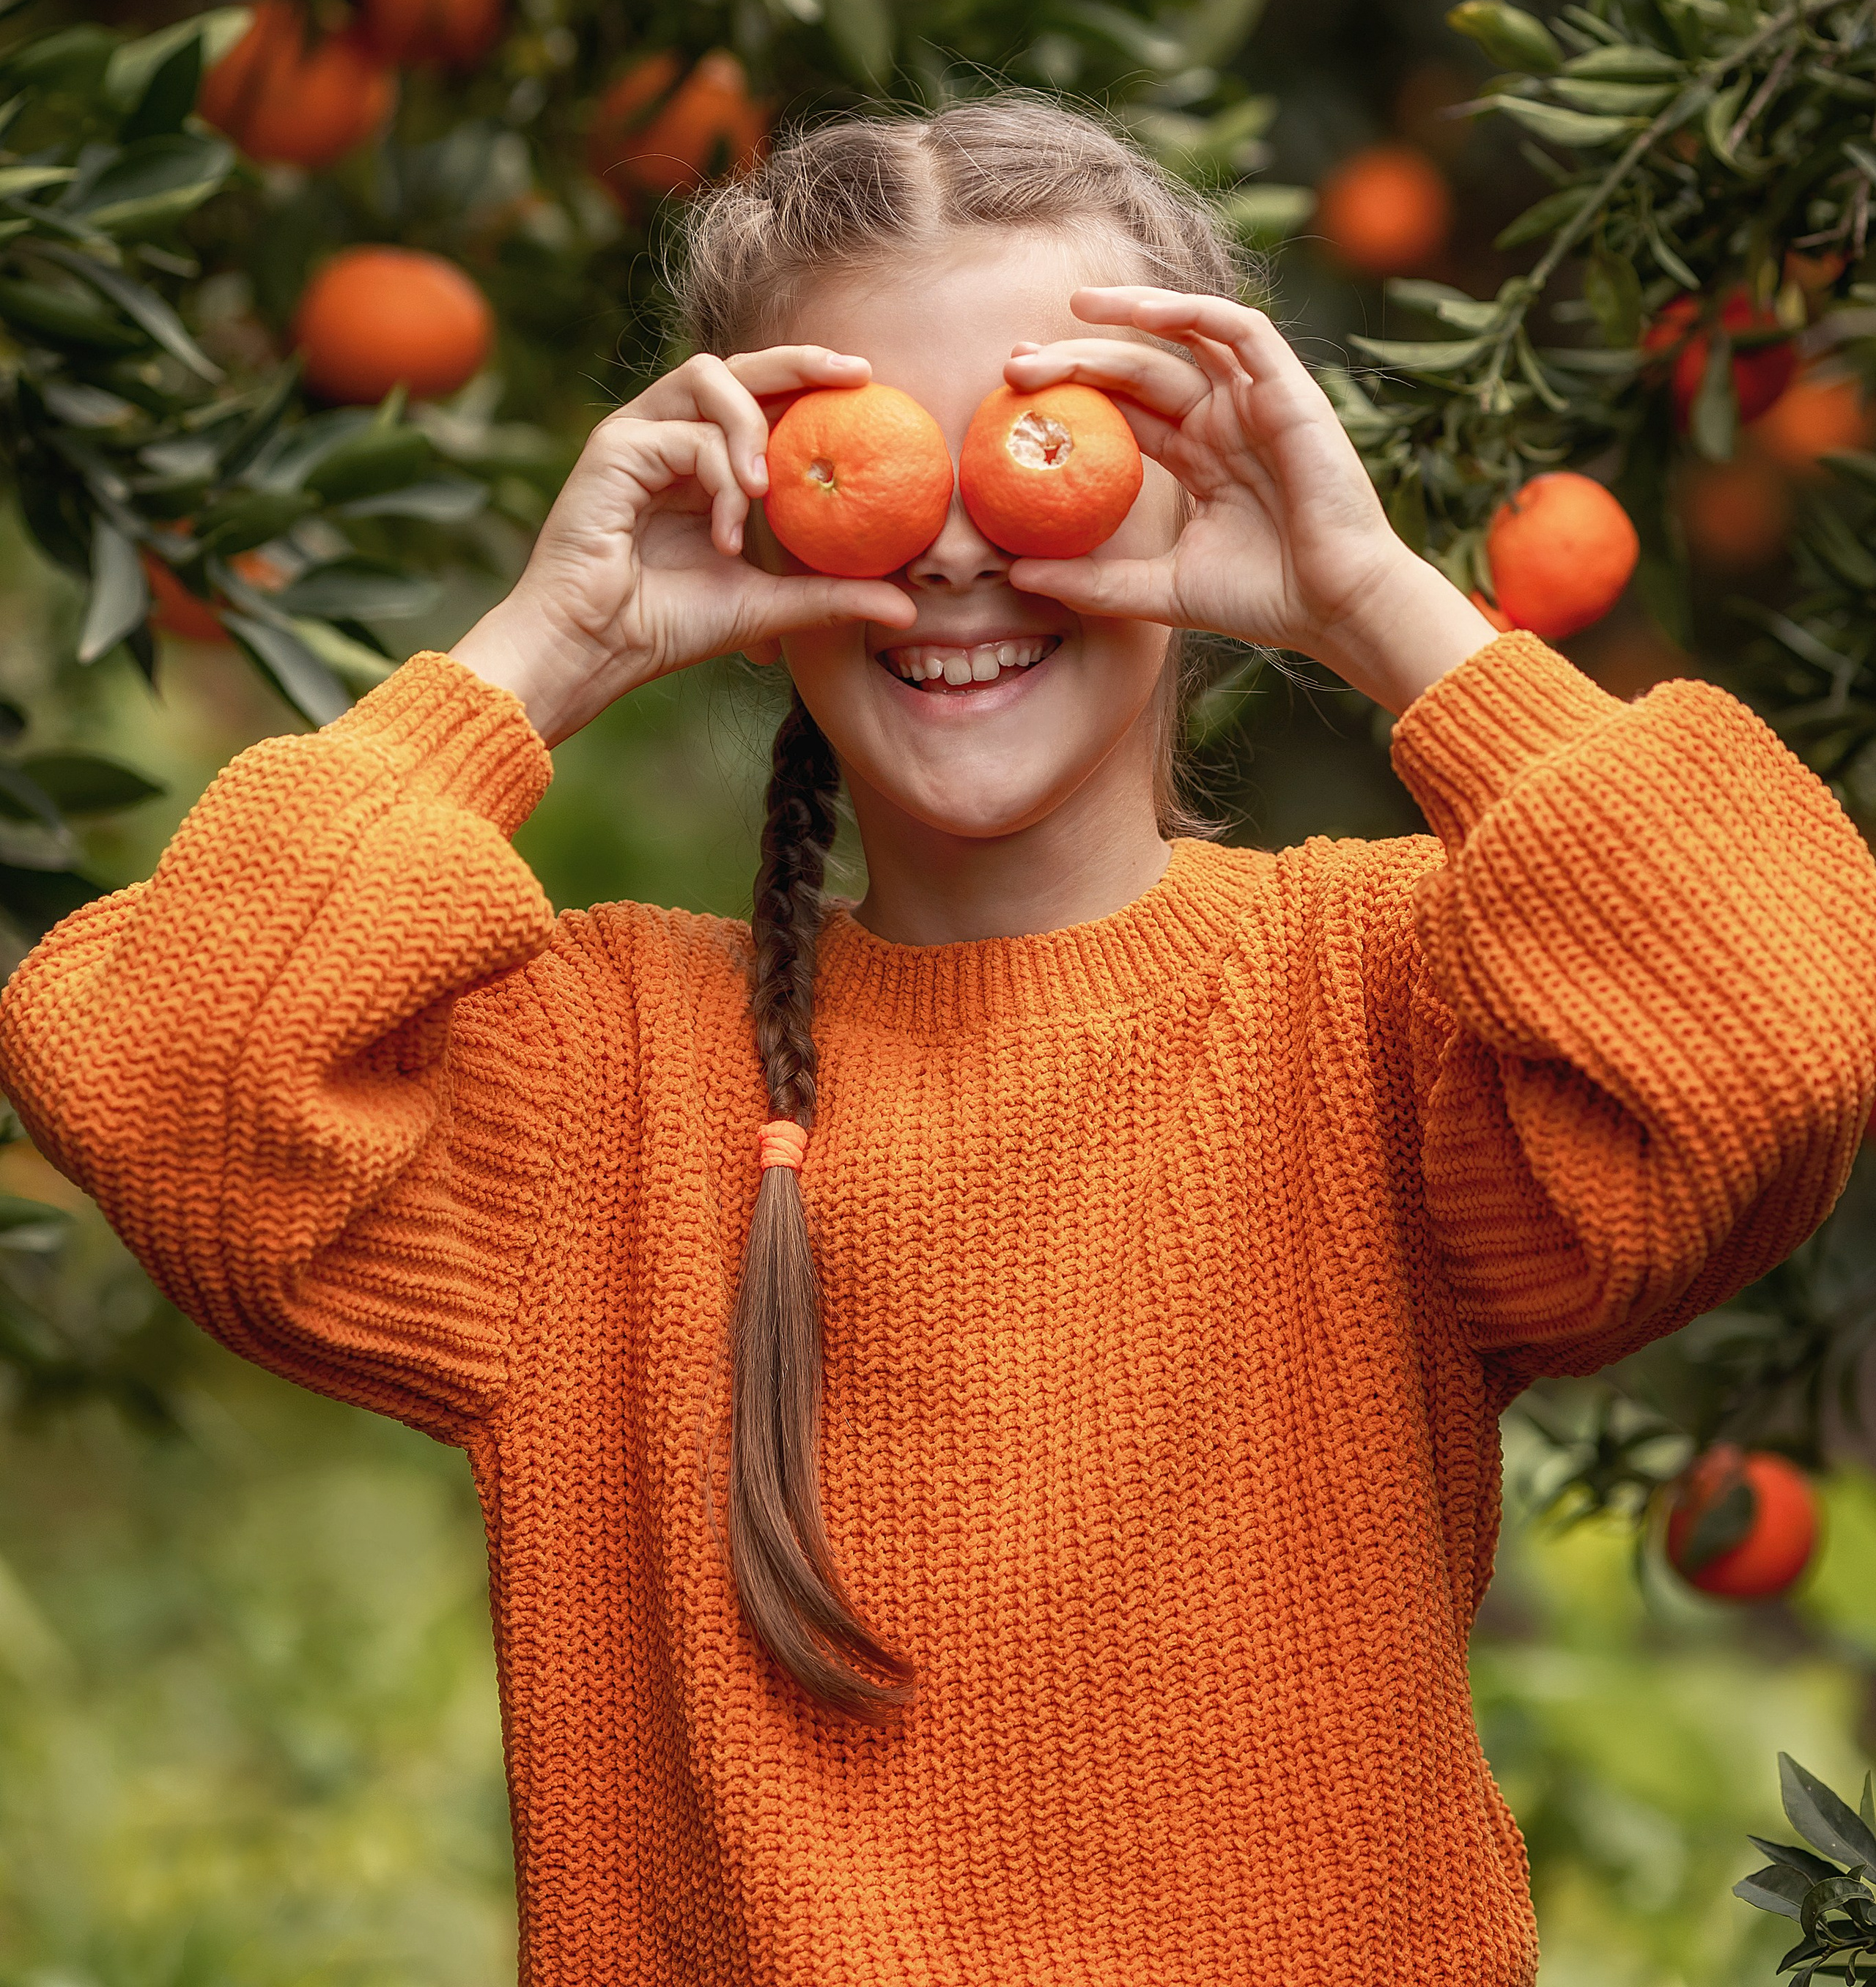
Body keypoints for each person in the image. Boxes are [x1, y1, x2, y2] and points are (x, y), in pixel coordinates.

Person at [3, 97, 1872, 1987]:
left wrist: (1377, 605)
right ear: (749, 514)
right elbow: (159, 1070)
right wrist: (536, 654)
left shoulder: (1375, 1010)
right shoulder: (604, 1090)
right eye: (874, 453)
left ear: (1209, 492)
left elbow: (1779, 1037)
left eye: (1050, 446)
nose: (967, 545)